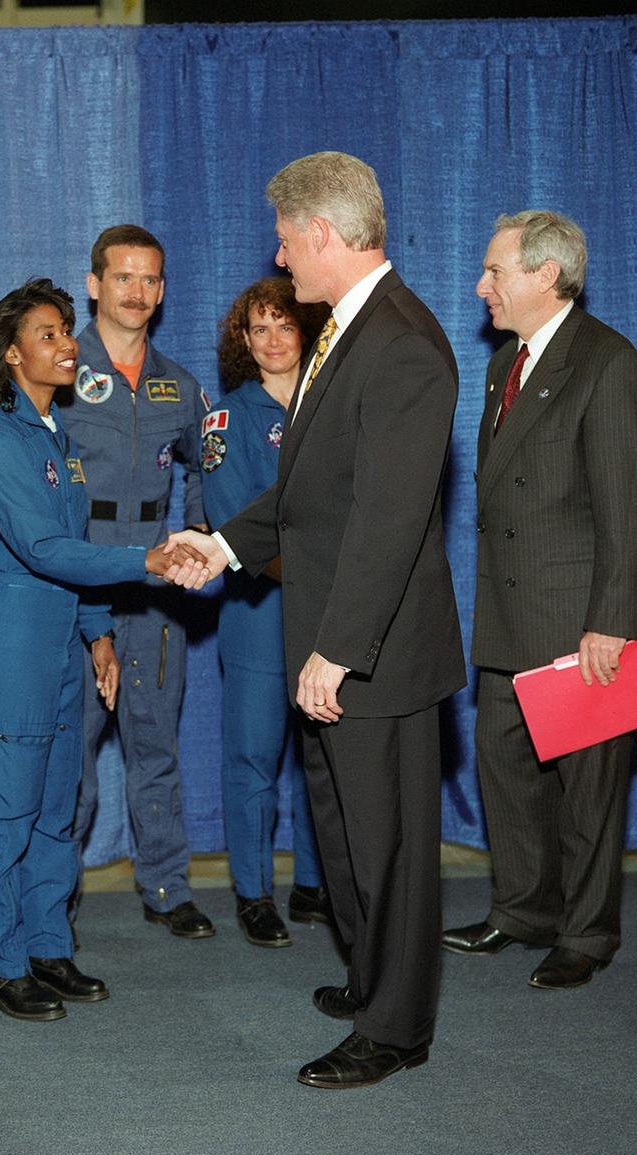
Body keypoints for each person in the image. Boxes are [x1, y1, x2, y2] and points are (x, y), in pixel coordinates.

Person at [168, 152, 465, 1088]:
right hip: (332, 638)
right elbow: (310, 495)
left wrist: (338, 649)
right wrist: (220, 547)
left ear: (327, 236)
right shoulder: (348, 328)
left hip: (372, 650)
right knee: (343, 835)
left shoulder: (404, 342)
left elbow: (388, 516)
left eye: (288, 240)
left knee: (389, 843)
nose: (281, 258)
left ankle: (397, 1024)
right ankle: (373, 977)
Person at [0, 280, 204, 1021]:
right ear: (10, 354)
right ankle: (2, 964)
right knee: (4, 807)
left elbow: (77, 548)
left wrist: (98, 632)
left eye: (67, 331)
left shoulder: (55, 434)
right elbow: (44, 547)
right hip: (13, 634)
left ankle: (47, 944)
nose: (67, 345)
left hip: (63, 632)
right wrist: (145, 561)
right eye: (48, 335)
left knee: (56, 805)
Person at [441, 211, 637, 989]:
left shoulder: (609, 364)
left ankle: (586, 931)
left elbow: (630, 509)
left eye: (494, 271)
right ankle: (522, 909)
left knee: (588, 793)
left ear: (546, 274)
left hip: (581, 623)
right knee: (504, 770)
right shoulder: (508, 362)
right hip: (510, 614)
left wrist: (612, 622)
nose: (481, 286)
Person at [57, 224, 214, 939]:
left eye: (151, 280)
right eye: (123, 277)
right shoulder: (56, 372)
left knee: (155, 745)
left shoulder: (177, 385)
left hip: (152, 594)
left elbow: (206, 466)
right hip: (75, 587)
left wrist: (195, 539)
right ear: (93, 284)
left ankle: (166, 884)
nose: (137, 292)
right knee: (70, 752)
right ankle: (51, 894)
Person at [205, 278, 330, 948]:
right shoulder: (227, 419)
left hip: (328, 612)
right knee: (253, 755)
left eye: (286, 326)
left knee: (323, 749)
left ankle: (315, 880)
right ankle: (253, 891)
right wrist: (315, 573)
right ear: (243, 342)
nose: (275, 340)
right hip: (260, 609)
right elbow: (231, 526)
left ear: (306, 334)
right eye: (261, 329)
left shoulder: (332, 409)